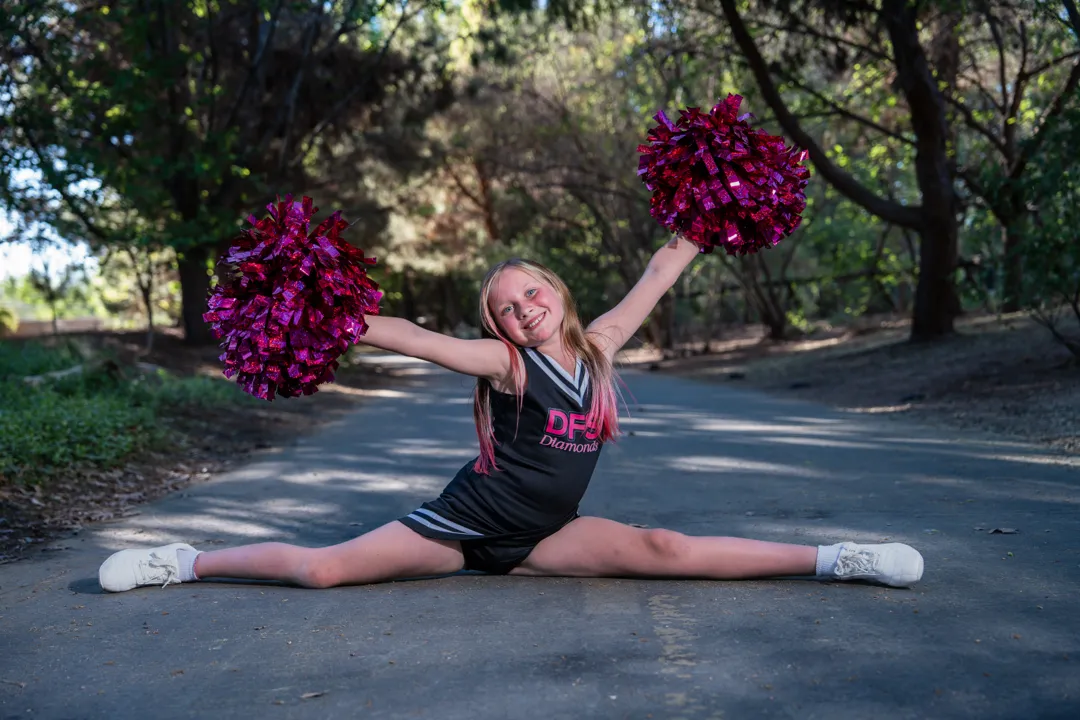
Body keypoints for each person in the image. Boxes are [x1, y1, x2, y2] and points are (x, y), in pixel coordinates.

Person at [98, 236, 923, 593]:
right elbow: (416, 337)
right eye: (506, 308)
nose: (524, 308)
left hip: (544, 537)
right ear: (498, 328)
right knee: (323, 573)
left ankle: (839, 559)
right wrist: (325, 309)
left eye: (530, 292)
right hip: (462, 529)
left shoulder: (600, 347)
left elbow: (661, 269)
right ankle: (185, 562)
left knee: (664, 548)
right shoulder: (507, 365)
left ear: (554, 290)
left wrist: (716, 206)